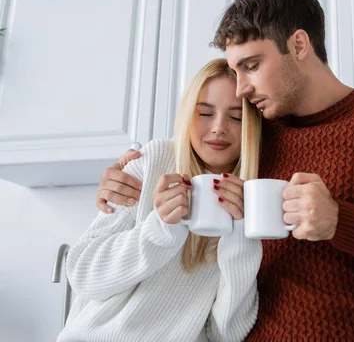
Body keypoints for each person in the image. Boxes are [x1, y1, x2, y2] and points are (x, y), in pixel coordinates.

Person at [96, 0, 354, 341]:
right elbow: (189, 152)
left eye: (252, 65)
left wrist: (340, 221)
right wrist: (130, 172)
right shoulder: (252, 133)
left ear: (298, 44)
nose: (241, 88)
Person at [59, 59, 262, 342]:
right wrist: (160, 229)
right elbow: (83, 274)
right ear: (187, 114)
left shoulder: (255, 197)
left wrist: (240, 234)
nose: (218, 128)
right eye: (204, 113)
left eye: (236, 117)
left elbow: (226, 334)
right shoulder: (155, 160)